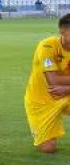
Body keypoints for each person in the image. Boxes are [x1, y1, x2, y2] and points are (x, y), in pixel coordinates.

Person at [24, 12, 70, 153]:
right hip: (41, 101)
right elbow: (54, 81)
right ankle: (41, 131)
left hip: (66, 93)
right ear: (63, 32)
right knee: (48, 148)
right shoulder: (47, 46)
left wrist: (67, 89)